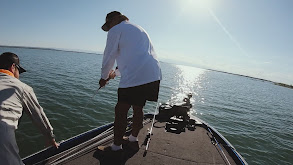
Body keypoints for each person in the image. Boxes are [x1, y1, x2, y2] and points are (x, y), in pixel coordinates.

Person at [98, 11, 162, 153]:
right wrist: (115, 73)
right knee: (138, 108)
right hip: (152, 75)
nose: (109, 28)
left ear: (114, 20)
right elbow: (134, 57)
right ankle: (133, 139)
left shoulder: (116, 30)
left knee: (121, 110)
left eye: (109, 24)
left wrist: (103, 77)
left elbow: (109, 55)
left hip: (136, 76)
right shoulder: (139, 29)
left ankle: (116, 147)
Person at [0, 52, 58, 165]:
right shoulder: (21, 87)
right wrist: (50, 138)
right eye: (18, 71)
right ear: (12, 67)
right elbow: (39, 115)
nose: (19, 75)